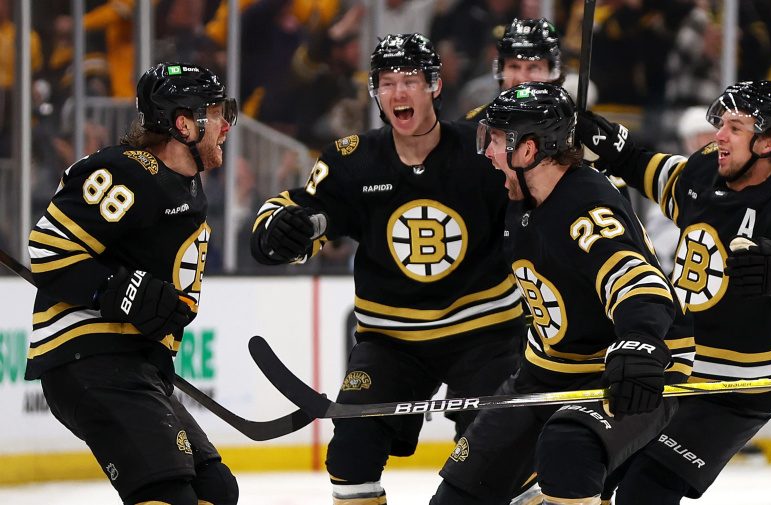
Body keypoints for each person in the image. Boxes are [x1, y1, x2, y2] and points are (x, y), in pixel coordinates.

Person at [249, 33, 526, 505]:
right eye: (387, 82)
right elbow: (305, 212)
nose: (399, 93)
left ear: (435, 86)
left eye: (411, 81)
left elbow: (538, 206)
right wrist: (280, 231)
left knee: (494, 454)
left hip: (488, 336)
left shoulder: (482, 151)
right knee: (350, 456)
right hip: (393, 344)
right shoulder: (351, 160)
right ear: (374, 92)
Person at [576, 80, 771, 503]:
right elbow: (650, 170)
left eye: (734, 128)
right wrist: (615, 148)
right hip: (681, 363)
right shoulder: (705, 168)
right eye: (721, 124)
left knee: (645, 489)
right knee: (596, 470)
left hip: (743, 386)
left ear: (767, 143)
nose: (719, 136)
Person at [430, 82, 695, 505]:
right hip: (546, 369)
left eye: (497, 140)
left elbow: (640, 284)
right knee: (461, 491)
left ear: (529, 150)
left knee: (568, 446)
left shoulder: (585, 207)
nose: (489, 153)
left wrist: (639, 342)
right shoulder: (520, 193)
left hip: (622, 369)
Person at [24, 63, 239, 505]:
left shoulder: (187, 188)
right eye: (218, 112)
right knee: (168, 494)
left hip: (132, 364)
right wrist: (117, 290)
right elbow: (47, 249)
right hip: (87, 358)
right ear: (184, 124)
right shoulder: (126, 172)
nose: (227, 124)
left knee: (215, 491)